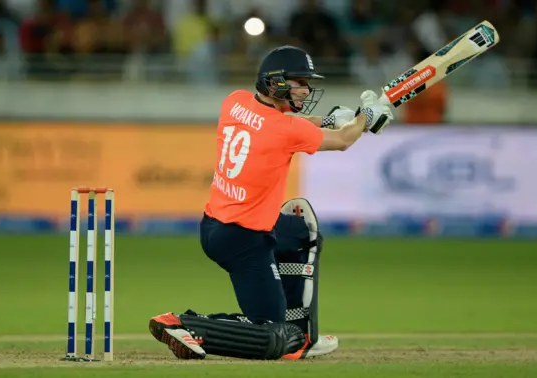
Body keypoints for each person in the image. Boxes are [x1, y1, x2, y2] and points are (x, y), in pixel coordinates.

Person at [148, 45, 394, 361]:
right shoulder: (286, 129)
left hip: (214, 225)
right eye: (299, 82)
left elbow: (280, 122)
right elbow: (345, 141)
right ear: (275, 82)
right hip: (243, 240)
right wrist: (364, 118)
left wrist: (330, 118)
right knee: (272, 335)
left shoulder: (234, 101)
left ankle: (302, 335)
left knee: (303, 232)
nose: (306, 89)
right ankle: (185, 325)